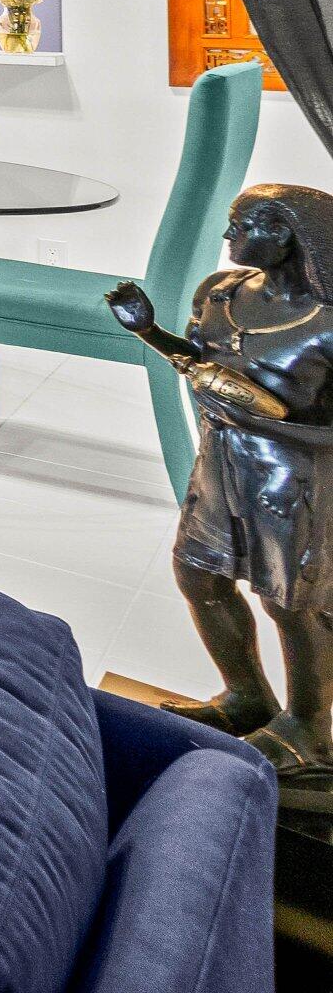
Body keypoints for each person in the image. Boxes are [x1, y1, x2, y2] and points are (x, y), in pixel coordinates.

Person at [110, 185, 333, 784]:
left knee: (292, 603)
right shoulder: (220, 293)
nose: (228, 237)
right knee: (198, 574)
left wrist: (269, 419)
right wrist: (150, 332)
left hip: (294, 481)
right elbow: (201, 363)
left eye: (243, 226)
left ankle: (311, 730)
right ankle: (247, 698)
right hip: (223, 461)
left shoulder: (326, 325)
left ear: (285, 235)